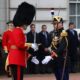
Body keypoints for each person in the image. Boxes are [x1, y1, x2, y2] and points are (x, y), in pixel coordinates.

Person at [5, 2, 36, 80]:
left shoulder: (17, 30)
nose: (27, 26)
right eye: (27, 24)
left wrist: (29, 54)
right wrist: (31, 45)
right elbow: (20, 45)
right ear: (24, 23)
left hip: (16, 58)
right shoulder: (18, 31)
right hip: (17, 59)